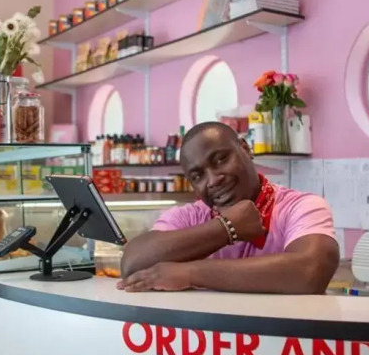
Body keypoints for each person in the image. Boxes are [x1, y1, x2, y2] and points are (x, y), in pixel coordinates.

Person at [117, 121, 339, 294]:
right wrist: (226, 228)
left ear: (245, 149)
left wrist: (190, 272)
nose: (213, 180)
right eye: (198, 176)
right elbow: (132, 264)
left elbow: (311, 272)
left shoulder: (300, 206)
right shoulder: (188, 217)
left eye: (220, 160)